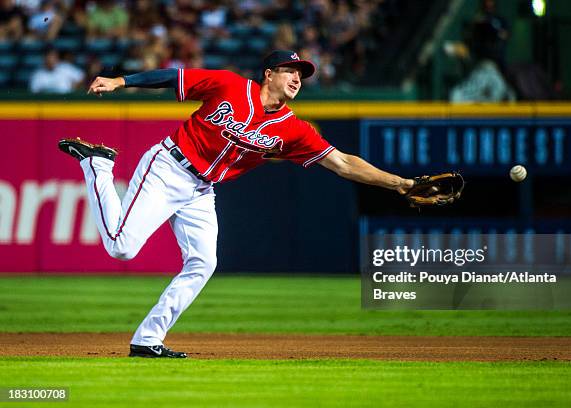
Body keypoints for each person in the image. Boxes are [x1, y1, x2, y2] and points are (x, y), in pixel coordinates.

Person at [58, 50, 417, 358]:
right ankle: (97, 164)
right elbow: (173, 77)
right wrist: (121, 81)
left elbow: (343, 163)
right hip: (169, 167)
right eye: (291, 71)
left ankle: (147, 339)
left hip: (201, 191)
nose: (297, 79)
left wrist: (400, 183)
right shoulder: (230, 86)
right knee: (122, 248)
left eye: (302, 75)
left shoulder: (294, 130)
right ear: (269, 74)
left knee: (203, 262)